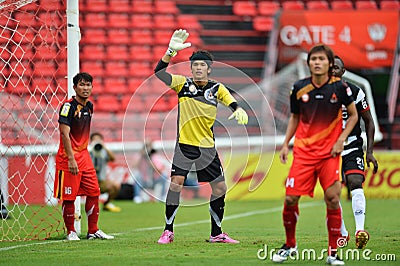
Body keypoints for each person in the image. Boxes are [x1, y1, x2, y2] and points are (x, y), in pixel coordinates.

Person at [154, 29, 248, 244]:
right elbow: (159, 73)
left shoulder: (216, 88)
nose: (198, 68)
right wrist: (169, 52)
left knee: (220, 188)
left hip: (207, 146)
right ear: (191, 68)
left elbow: (230, 101)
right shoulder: (182, 84)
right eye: (195, 65)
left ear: (208, 68)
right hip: (185, 145)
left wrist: (237, 109)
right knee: (176, 184)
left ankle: (216, 233)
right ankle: (168, 231)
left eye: (202, 65)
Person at [273, 44, 358, 265]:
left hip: (329, 154)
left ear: (330, 64)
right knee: (290, 197)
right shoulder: (299, 88)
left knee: (332, 199)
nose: (317, 63)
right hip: (303, 153)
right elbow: (294, 117)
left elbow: (354, 116)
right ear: (308, 63)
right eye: (313, 59)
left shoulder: (340, 88)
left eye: (321, 59)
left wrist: (341, 140)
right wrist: (285, 144)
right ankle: (290, 245)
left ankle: (333, 252)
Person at [53, 72, 114, 241]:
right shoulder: (68, 107)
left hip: (84, 156)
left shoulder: (89, 106)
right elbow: (64, 134)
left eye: (88, 85)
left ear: (92, 87)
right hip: (68, 157)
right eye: (82, 85)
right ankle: (71, 232)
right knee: (69, 196)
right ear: (74, 87)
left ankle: (93, 230)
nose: (85, 88)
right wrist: (71, 158)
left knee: (94, 192)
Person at [332, 56, 379, 249]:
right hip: (330, 149)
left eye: (336, 68)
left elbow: (368, 121)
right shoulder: (320, 93)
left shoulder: (356, 92)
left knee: (355, 182)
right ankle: (343, 233)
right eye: (330, 67)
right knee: (333, 193)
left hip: (352, 146)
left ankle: (360, 230)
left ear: (343, 72)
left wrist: (369, 152)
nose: (333, 70)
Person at [89, 132, 121, 212]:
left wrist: (104, 147)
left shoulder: (103, 152)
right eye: (94, 139)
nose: (96, 141)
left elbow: (113, 158)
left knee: (116, 186)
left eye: (98, 139)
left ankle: (106, 204)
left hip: (100, 181)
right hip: (89, 181)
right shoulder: (88, 151)